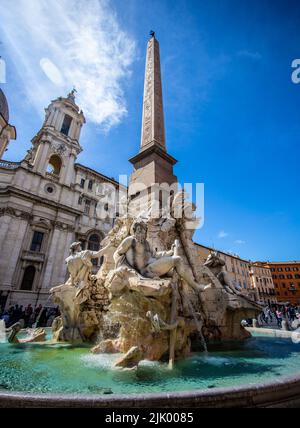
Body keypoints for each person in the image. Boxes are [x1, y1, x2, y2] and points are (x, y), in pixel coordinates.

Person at [114, 221, 210, 293]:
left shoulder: (147, 244)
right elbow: (117, 254)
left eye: (143, 232)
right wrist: (123, 268)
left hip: (152, 265)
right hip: (146, 271)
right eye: (139, 231)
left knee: (176, 263)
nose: (141, 234)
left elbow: (156, 255)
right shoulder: (129, 241)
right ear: (134, 231)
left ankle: (195, 287)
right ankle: (196, 287)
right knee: (177, 260)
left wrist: (170, 252)